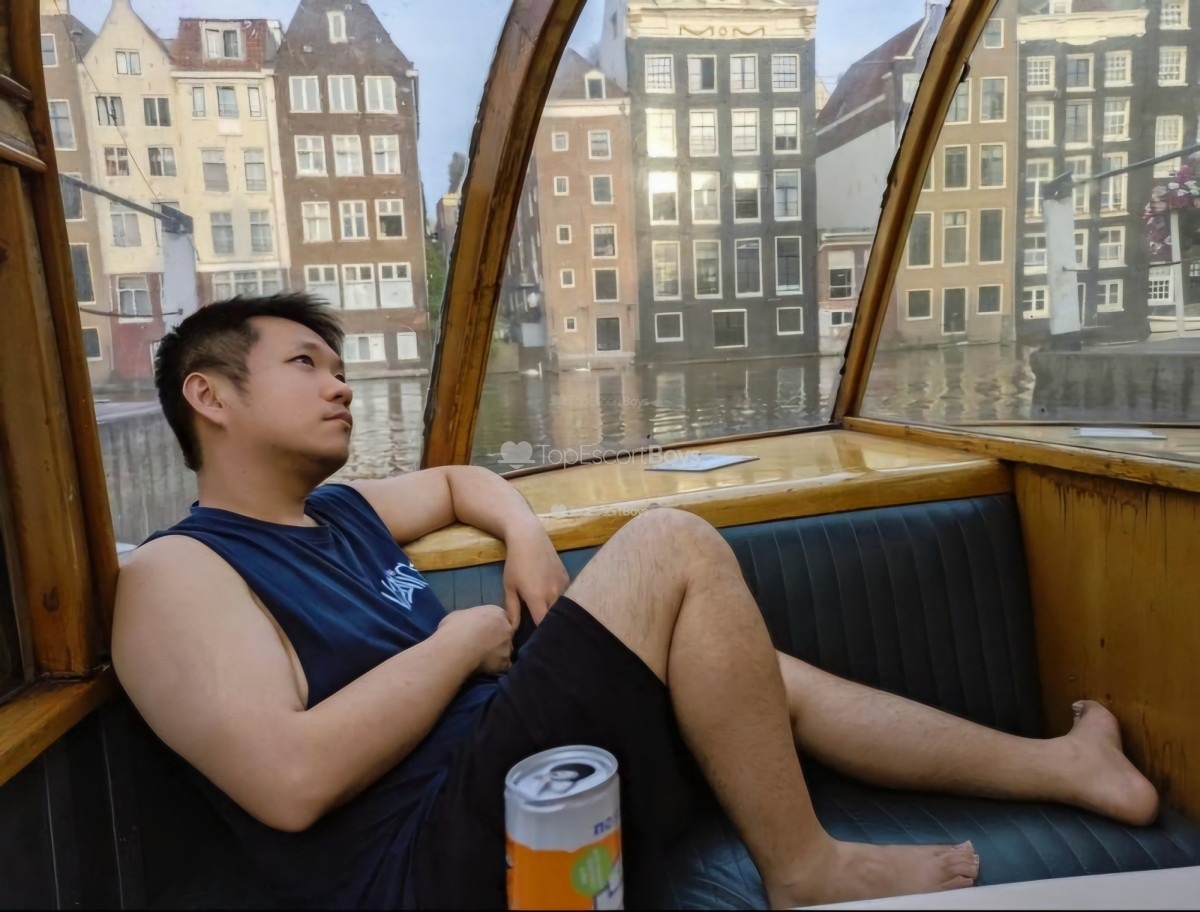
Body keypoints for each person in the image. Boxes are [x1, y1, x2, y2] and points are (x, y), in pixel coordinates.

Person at [112, 294, 1160, 910]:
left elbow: (461, 482)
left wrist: (525, 536)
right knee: (670, 542)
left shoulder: (337, 515)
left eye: (339, 368)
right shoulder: (178, 575)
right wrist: (465, 638)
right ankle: (805, 870)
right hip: (434, 864)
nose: (341, 386)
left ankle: (1063, 768)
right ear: (210, 396)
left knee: (742, 671)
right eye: (305, 365)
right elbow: (288, 783)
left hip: (523, 786)